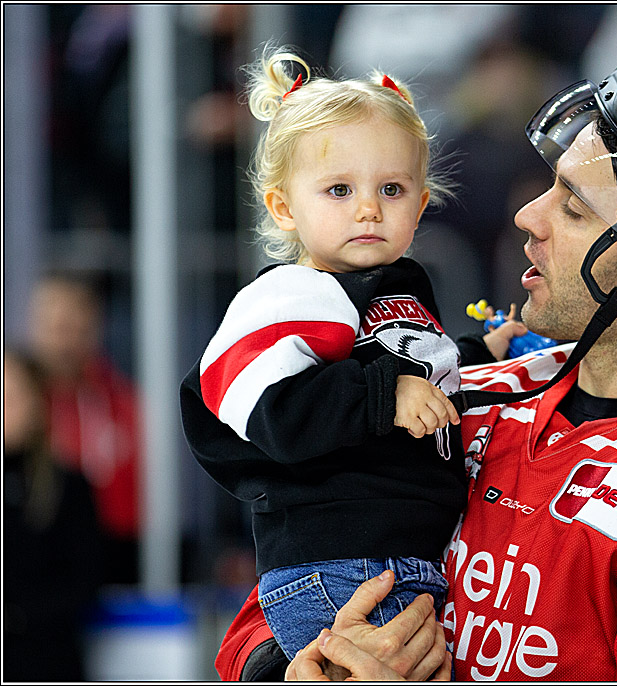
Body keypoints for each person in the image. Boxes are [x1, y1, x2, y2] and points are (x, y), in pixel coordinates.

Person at [217, 53, 617, 681]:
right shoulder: (461, 388)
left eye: (574, 207)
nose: (527, 216)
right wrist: (292, 670)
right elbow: (283, 584)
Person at [180, 46, 525, 665]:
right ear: (285, 206)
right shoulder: (291, 294)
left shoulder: (397, 285)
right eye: (339, 189)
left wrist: (478, 353)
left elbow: (415, 363)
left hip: (404, 554)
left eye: (391, 189)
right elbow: (268, 411)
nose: (368, 207)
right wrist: (386, 397)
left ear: (421, 205)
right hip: (338, 560)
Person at [28, 273, 143, 584]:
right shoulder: (19, 407)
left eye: (73, 326)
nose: (63, 340)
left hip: (115, 554)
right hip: (38, 555)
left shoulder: (124, 403)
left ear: (95, 326)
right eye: (54, 327)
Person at [4, 349, 104, 681]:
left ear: (37, 405)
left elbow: (85, 581)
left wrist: (17, 615)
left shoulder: (68, 489)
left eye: (10, 396)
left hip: (46, 663)